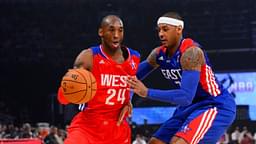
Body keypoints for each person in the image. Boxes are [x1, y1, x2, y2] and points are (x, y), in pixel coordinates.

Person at [127, 12, 236, 144]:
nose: (161, 34)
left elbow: (185, 96)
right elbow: (131, 76)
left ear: (179, 29)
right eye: (159, 30)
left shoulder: (191, 52)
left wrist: (147, 92)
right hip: (188, 107)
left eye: (165, 29)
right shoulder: (158, 54)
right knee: (155, 142)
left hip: (213, 104)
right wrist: (128, 98)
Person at [57, 15, 140, 143]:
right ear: (101, 32)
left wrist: (128, 98)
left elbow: (133, 79)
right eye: (111, 30)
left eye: (120, 30)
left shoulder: (134, 57)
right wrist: (70, 88)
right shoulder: (88, 57)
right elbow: (62, 98)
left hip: (117, 128)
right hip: (88, 126)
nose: (116, 35)